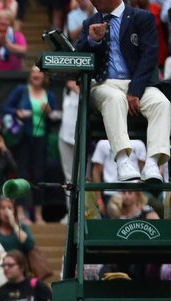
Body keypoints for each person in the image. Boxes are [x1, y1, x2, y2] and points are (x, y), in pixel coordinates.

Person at [76, 0, 169, 183]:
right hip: (103, 85)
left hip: (137, 83)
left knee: (161, 103)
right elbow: (79, 58)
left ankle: (152, 162)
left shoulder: (142, 18)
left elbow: (149, 56)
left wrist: (135, 90)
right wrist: (93, 41)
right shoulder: (90, 23)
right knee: (115, 98)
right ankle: (122, 159)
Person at [1, 67, 60, 223]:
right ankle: (20, 213)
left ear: (44, 76)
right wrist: (17, 113)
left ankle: (38, 214)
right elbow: (5, 108)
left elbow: (56, 116)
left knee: (39, 176)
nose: (36, 74)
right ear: (30, 75)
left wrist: (49, 112)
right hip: (23, 138)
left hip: (41, 140)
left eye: (39, 72)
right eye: (33, 72)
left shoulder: (50, 94)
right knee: (21, 174)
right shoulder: (21, 90)